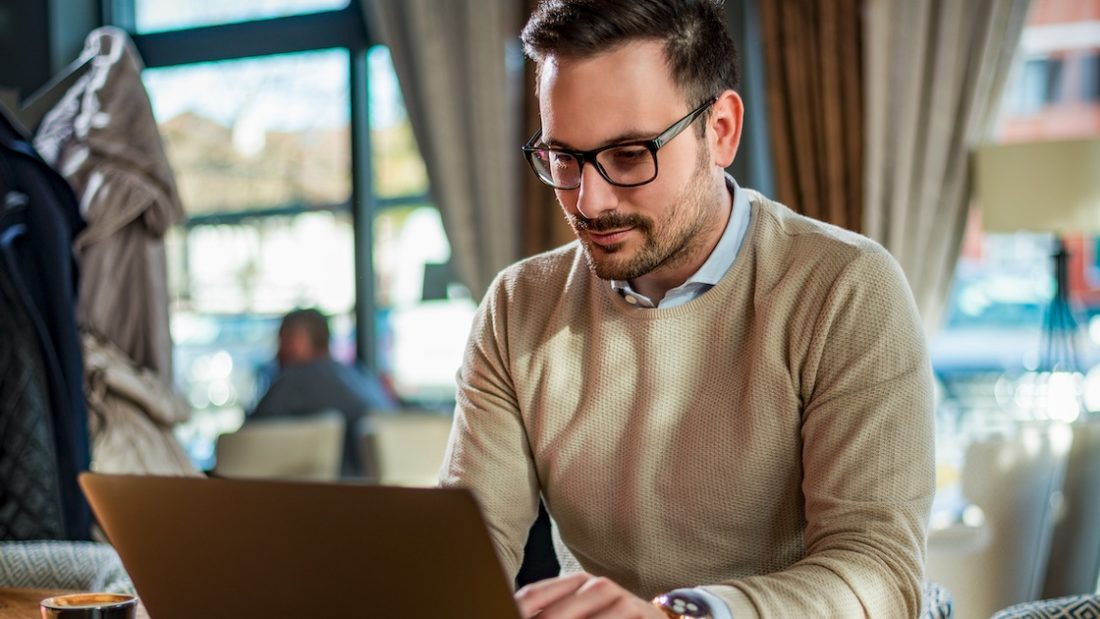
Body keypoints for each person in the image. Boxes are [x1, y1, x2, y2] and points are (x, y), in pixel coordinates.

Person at [439, 1, 935, 617]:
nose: (589, 201)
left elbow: (879, 572)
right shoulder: (518, 306)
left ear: (720, 130)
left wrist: (683, 615)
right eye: (563, 159)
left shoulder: (845, 287)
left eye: (628, 155)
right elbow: (466, 549)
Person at [250, 308, 397, 476]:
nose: (277, 353)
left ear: (298, 340)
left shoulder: (295, 379)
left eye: (282, 340)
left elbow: (244, 443)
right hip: (380, 491)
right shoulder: (358, 375)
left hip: (327, 493)